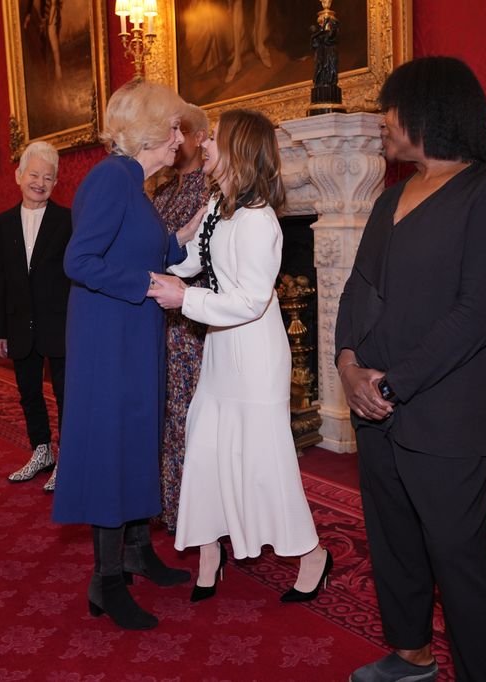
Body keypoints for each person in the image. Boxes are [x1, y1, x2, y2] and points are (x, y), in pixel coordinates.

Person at [336, 57, 486, 682]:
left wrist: (393, 383)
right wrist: (347, 364)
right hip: (376, 407)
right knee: (394, 542)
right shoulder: (391, 197)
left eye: (390, 108)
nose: (382, 121)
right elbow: (357, 288)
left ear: (431, 110)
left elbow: (479, 313)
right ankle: (412, 654)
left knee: (459, 558)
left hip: (446, 414)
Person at [148, 109, 331, 605]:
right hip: (221, 348)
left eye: (214, 139)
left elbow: (251, 300)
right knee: (205, 448)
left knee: (265, 462)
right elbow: (192, 260)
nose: (204, 145)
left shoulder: (258, 220)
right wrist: (157, 270)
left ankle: (312, 555)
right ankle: (210, 552)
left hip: (254, 355)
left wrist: (184, 298)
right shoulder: (218, 206)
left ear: (239, 150)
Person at [52, 80, 203, 631]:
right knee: (113, 447)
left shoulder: (136, 185)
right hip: (109, 337)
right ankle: (106, 579)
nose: (179, 138)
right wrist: (148, 284)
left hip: (134, 331)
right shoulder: (112, 178)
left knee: (140, 436)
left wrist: (191, 230)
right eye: (173, 127)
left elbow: (153, 250)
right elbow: (80, 261)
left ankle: (137, 551)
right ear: (149, 130)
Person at [0, 140, 72, 493]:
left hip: (59, 323)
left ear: (55, 183)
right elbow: (0, 278)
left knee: (65, 395)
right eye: (34, 175)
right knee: (28, 392)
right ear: (18, 176)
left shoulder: (67, 220)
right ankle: (42, 451)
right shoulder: (4, 222)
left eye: (48, 177)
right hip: (19, 323)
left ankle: (67, 459)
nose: (40, 183)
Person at [152, 103, 211, 533]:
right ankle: (168, 504)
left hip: (195, 321)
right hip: (160, 317)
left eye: (181, 132)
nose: (174, 141)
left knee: (189, 413)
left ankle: (196, 513)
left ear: (199, 137)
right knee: (167, 411)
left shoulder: (211, 188)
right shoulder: (161, 191)